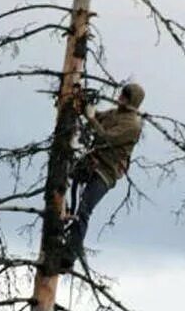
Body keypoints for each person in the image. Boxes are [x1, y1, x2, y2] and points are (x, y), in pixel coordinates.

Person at [60, 82, 145, 270]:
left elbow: (105, 137)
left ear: (132, 101)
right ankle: (61, 216)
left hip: (106, 173)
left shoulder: (132, 124)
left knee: (84, 209)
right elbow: (97, 117)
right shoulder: (115, 113)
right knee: (62, 180)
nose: (120, 98)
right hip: (92, 162)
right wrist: (83, 104)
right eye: (122, 94)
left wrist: (91, 119)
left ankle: (68, 256)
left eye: (125, 96)